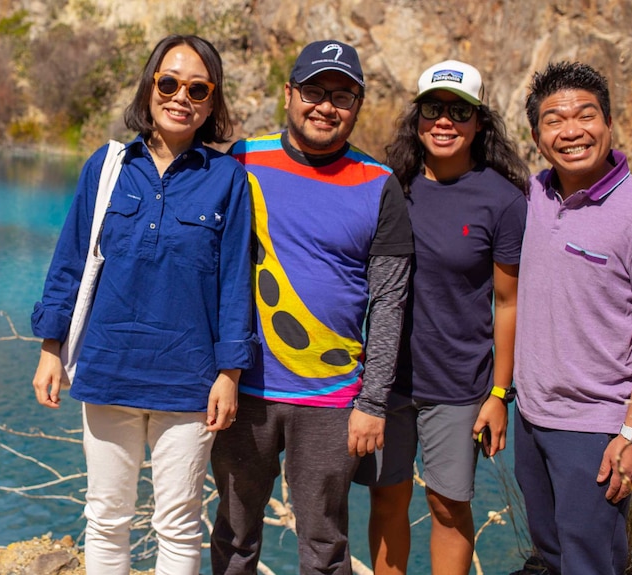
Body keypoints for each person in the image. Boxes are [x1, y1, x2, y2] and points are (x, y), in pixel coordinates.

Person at [30, 34, 256, 575]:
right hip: (108, 369)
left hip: (190, 381)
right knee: (107, 518)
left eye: (197, 88)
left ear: (212, 100)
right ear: (150, 85)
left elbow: (234, 284)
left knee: (177, 524)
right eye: (169, 82)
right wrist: (50, 347)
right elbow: (70, 261)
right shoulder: (107, 167)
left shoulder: (227, 179)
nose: (182, 96)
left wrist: (229, 373)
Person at [209, 39, 414, 575]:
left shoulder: (379, 184)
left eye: (343, 96)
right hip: (241, 391)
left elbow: (389, 302)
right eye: (314, 91)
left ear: (358, 106)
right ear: (289, 94)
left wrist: (372, 401)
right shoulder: (240, 162)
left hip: (331, 400)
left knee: (324, 546)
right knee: (233, 536)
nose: (326, 106)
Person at [355, 60, 529, 575]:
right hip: (388, 383)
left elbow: (509, 303)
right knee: (387, 501)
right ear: (418, 116)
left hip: (459, 386)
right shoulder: (392, 188)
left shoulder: (503, 201)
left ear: (479, 122)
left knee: (447, 506)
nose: (444, 121)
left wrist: (500, 394)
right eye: (433, 108)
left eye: (459, 111)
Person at [513, 61, 632, 575]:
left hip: (595, 430)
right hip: (531, 419)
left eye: (585, 116)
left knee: (592, 562)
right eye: (554, 120)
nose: (571, 131)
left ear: (608, 124)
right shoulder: (534, 194)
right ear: (538, 137)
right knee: (552, 556)